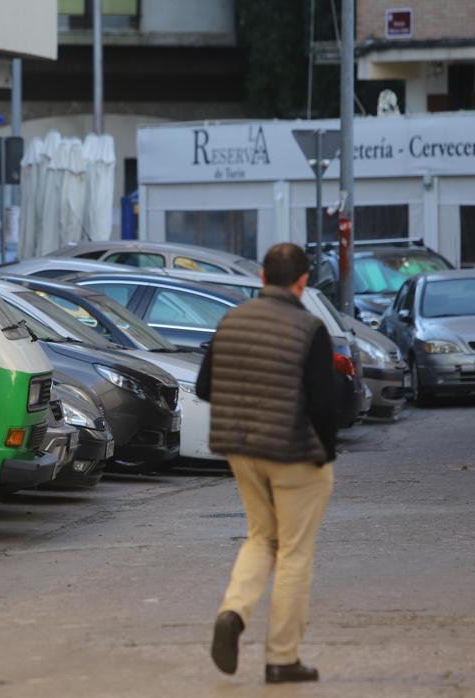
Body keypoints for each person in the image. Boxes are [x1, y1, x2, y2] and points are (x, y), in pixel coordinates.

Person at [195, 242, 337, 684]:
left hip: (242, 451)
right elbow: (323, 404)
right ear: (303, 282)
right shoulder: (309, 328)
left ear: (261, 278)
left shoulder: (230, 321)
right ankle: (281, 658)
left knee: (260, 537)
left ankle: (233, 613)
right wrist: (326, 454)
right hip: (294, 455)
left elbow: (204, 386)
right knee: (295, 552)